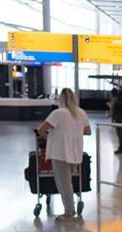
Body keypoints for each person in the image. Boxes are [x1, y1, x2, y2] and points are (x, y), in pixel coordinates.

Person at [36, 88, 91, 222]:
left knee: (64, 183)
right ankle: (70, 209)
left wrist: (50, 134)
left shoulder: (58, 113)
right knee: (68, 182)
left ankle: (69, 212)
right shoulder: (81, 112)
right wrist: (73, 131)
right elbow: (87, 131)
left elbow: (41, 130)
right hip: (75, 152)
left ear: (61, 99)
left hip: (60, 152)